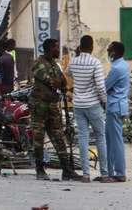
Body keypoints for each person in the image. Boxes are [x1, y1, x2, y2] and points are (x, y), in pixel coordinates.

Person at [31, 38, 83, 181]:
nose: (58, 49)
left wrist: (59, 83)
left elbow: (63, 81)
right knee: (39, 138)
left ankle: (66, 169)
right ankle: (40, 168)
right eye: (55, 47)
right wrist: (56, 82)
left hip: (53, 105)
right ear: (49, 48)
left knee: (59, 137)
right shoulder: (39, 63)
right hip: (39, 106)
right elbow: (49, 80)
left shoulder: (54, 65)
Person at [65, 35, 110, 183]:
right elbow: (100, 86)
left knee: (83, 138)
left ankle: (85, 175)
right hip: (93, 104)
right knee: (100, 137)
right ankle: (104, 173)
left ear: (79, 47)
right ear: (91, 47)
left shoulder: (73, 61)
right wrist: (104, 101)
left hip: (78, 104)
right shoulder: (95, 63)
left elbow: (68, 73)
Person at [104, 41, 130, 182]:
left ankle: (120, 172)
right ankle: (109, 171)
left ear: (114, 52)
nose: (108, 53)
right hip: (115, 106)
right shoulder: (123, 65)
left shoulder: (117, 68)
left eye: (109, 50)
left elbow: (105, 86)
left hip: (115, 106)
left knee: (116, 141)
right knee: (109, 139)